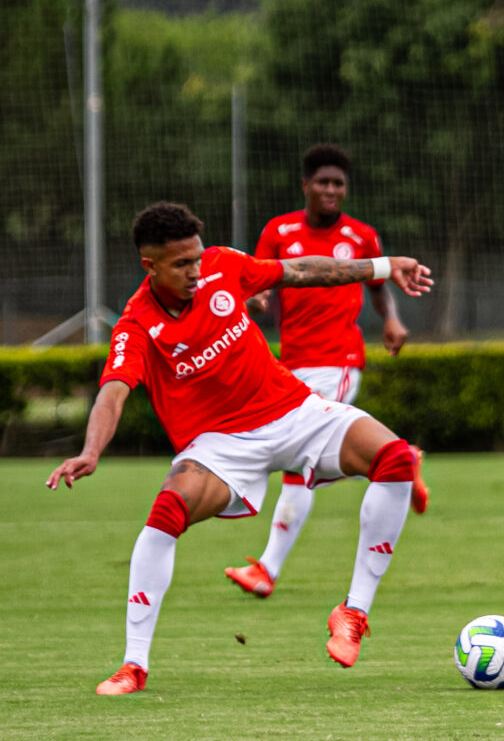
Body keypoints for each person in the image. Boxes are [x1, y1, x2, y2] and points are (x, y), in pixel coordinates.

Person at [46, 201, 434, 695]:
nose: (196, 271)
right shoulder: (137, 324)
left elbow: (299, 271)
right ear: (151, 266)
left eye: (198, 258)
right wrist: (91, 450)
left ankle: (354, 611)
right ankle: (133, 666)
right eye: (181, 264)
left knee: (396, 458)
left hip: (292, 410)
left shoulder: (223, 267)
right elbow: (113, 390)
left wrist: (382, 266)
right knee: (166, 510)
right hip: (220, 446)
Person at [224, 143, 426, 601]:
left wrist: (390, 318)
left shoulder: (362, 237)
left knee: (299, 463)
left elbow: (378, 286)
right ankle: (399, 458)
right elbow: (260, 282)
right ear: (306, 186)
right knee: (310, 457)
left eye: (339, 183)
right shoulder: (278, 231)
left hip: (338, 362)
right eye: (323, 182)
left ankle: (266, 570)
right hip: (290, 363)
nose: (332, 190)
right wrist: (252, 302)